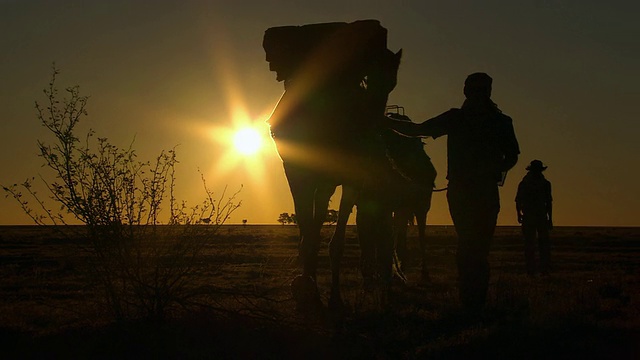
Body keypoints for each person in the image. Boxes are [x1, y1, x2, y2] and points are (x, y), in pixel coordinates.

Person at [384, 72, 520, 314]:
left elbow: (511, 156)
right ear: (468, 91)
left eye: (481, 90)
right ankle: (472, 302)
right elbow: (418, 130)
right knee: (472, 246)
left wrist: (384, 122)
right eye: (475, 90)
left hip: (476, 190)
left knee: (474, 247)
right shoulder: (478, 120)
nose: (478, 94)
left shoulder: (482, 120)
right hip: (469, 190)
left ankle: (472, 302)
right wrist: (386, 122)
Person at [515, 159, 553, 276]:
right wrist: (550, 218)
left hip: (532, 216)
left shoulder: (525, 183)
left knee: (532, 244)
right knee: (539, 244)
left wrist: (519, 214)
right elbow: (549, 203)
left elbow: (518, 201)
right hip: (537, 216)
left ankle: (534, 269)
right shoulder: (544, 184)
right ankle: (540, 269)